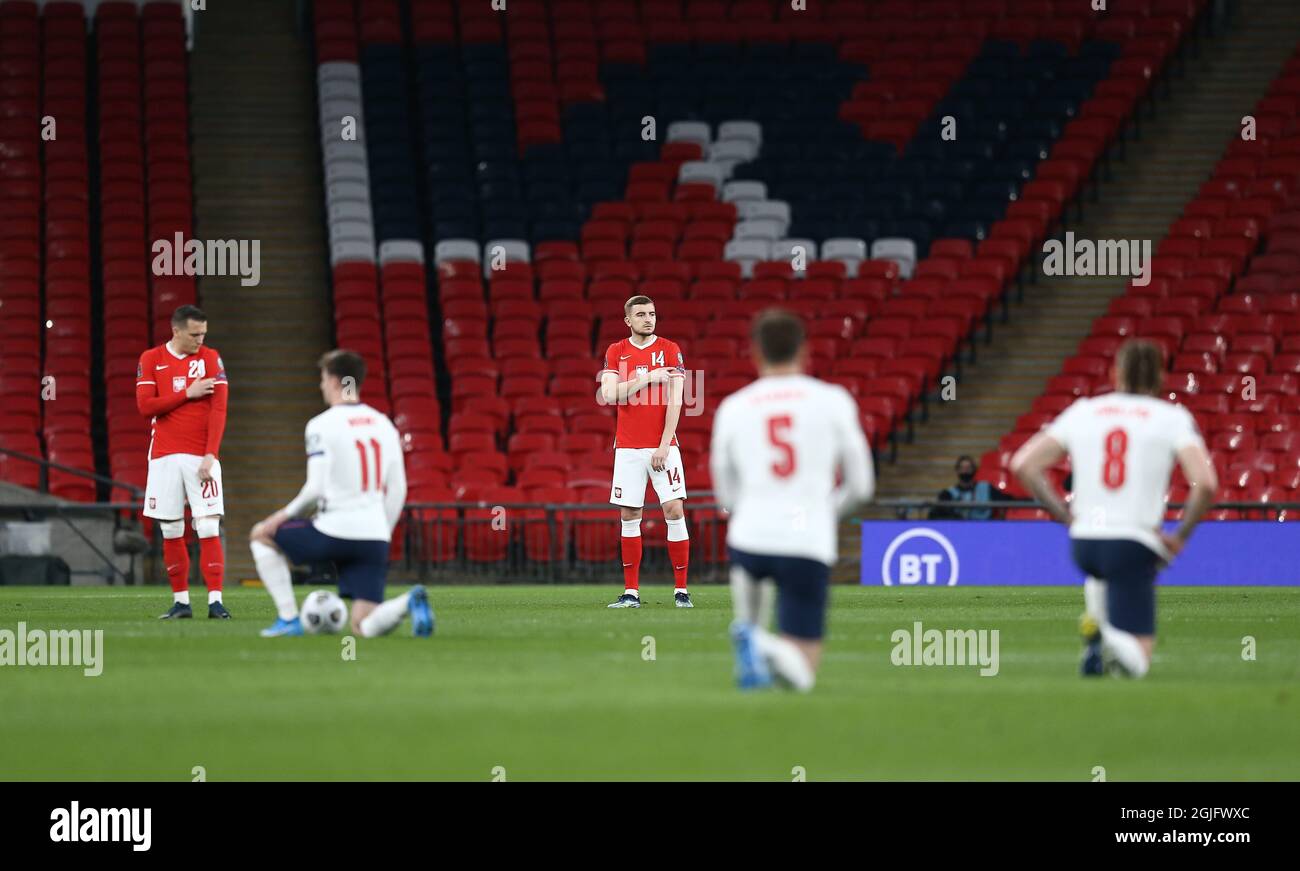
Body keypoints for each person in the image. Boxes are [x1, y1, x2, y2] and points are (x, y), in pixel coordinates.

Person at [1011, 339, 1218, 677]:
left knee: (1102, 580)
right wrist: (1179, 535)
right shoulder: (1171, 417)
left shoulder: (1084, 411)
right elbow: (1206, 483)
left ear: (1114, 373)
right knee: (1139, 659)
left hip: (1085, 542)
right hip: (1132, 541)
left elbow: (1023, 465)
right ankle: (1105, 638)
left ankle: (1097, 636)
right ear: (1162, 378)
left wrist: (1065, 516)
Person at [710, 310, 875, 691]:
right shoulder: (832, 401)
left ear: (755, 352)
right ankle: (761, 644)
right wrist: (821, 513)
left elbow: (724, 493)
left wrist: (747, 512)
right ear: (805, 350)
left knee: (751, 629)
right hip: (805, 541)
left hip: (749, 537)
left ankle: (752, 641)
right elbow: (862, 485)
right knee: (803, 673)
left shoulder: (734, 406)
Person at [249, 350, 432, 639]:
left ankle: (288, 619)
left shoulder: (321, 425)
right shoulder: (384, 424)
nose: (321, 385)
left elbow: (315, 490)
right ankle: (406, 603)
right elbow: (398, 489)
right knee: (362, 626)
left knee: (261, 536)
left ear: (335, 381)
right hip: (373, 537)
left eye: (322, 379)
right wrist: (382, 531)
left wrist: (279, 517)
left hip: (332, 532)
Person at [597, 295, 692, 609]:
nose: (648, 319)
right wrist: (647, 378)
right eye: (640, 315)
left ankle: (681, 591)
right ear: (628, 320)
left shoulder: (670, 349)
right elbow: (609, 394)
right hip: (627, 447)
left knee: (674, 511)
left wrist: (665, 444)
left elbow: (676, 401)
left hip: (664, 446)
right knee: (629, 515)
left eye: (652, 313)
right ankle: (631, 592)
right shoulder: (616, 351)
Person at [136, 304, 231, 619]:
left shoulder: (210, 358)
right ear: (175, 330)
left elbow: (219, 409)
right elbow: (145, 407)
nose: (200, 340)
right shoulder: (151, 359)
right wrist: (187, 394)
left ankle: (215, 602)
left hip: (200, 456)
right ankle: (181, 602)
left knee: (207, 525)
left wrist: (211, 454)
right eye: (194, 334)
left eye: (203, 333)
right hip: (163, 456)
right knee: (171, 528)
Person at [929, 455, 1015, 519]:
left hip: (984, 528)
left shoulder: (986, 488)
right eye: (962, 468)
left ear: (974, 470)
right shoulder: (948, 494)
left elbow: (1005, 500)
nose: (965, 471)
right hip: (958, 529)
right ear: (957, 471)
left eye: (968, 468)